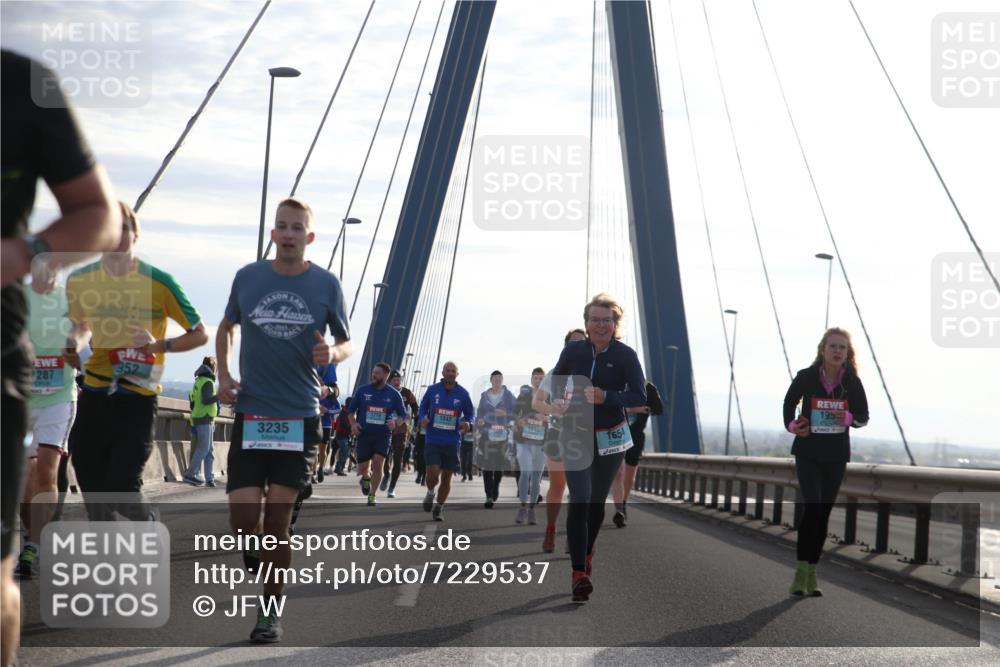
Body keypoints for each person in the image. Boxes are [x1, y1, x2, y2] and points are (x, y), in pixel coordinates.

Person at [1, 49, 121, 667]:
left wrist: (26, 253)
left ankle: (28, 550)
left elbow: (96, 215)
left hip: (29, 384)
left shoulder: (23, 84)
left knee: (42, 475)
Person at [217, 196, 351, 643]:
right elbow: (225, 327)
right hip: (252, 413)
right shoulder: (248, 278)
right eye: (282, 226)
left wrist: (332, 353)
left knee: (276, 524)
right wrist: (223, 374)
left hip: (300, 417)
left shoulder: (326, 285)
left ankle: (268, 615)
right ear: (273, 234)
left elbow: (346, 342)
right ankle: (254, 545)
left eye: (297, 228)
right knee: (242, 522)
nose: (288, 234)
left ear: (309, 237)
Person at [66, 201, 207, 523]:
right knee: (88, 474)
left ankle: (145, 520)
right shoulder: (82, 280)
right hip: (97, 392)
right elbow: (82, 324)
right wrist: (73, 342)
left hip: (138, 398)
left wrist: (158, 344)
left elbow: (198, 334)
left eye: (124, 228)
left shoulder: (160, 282)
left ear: (136, 234)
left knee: (121, 485)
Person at [535, 294, 646, 602]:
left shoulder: (626, 356)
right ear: (586, 323)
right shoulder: (574, 350)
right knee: (580, 498)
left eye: (606, 321)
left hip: (610, 437)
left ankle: (587, 552)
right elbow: (557, 377)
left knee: (597, 502)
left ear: (615, 324)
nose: (600, 326)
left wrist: (607, 397)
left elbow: (638, 395)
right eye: (595, 320)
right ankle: (578, 572)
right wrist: (555, 398)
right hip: (576, 432)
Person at [783, 327, 868, 597]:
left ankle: (812, 572)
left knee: (824, 513)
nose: (837, 351)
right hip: (808, 453)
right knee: (813, 507)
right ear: (823, 349)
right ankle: (800, 571)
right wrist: (793, 425)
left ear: (847, 353)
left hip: (835, 456)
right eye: (833, 346)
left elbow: (863, 416)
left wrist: (847, 419)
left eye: (842, 347)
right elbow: (788, 403)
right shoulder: (806, 377)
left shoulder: (852, 383)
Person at [17, 277, 79, 579]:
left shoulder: (70, 303)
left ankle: (35, 544)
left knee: (46, 470)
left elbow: (85, 351)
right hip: (24, 400)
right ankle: (30, 534)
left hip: (58, 400)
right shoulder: (19, 299)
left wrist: (78, 354)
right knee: (25, 477)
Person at [534, 328, 586, 553]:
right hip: (556, 433)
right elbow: (537, 403)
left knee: (579, 490)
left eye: (582, 343)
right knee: (558, 485)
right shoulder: (555, 373)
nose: (577, 347)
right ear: (566, 347)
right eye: (573, 343)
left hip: (583, 435)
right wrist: (552, 409)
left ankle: (573, 535)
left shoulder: (593, 373)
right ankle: (551, 528)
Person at [418, 361, 475, 521]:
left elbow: (471, 414)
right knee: (433, 474)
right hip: (433, 439)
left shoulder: (463, 394)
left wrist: (469, 423)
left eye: (453, 371)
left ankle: (439, 507)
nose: (450, 373)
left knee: (447, 477)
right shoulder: (432, 390)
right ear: (442, 373)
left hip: (452, 441)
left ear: (457, 374)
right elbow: (422, 408)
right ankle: (430, 492)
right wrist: (423, 418)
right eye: (447, 370)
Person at [349, 362, 406, 507]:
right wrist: (354, 424)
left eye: (377, 373)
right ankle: (366, 478)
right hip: (364, 434)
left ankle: (372, 495)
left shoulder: (394, 394)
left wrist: (395, 423)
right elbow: (350, 411)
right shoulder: (362, 391)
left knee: (378, 463)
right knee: (362, 468)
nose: (373, 375)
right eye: (373, 372)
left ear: (386, 376)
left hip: (383, 435)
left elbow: (403, 415)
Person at [611, 381, 664, 527]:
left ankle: (623, 502)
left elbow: (659, 409)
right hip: (618, 434)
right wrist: (632, 409)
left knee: (630, 476)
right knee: (618, 473)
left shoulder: (648, 388)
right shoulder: (616, 385)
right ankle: (619, 510)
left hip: (636, 436)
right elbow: (608, 406)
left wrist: (645, 409)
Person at [476, 371, 516, 508]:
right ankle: (489, 495)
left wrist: (506, 413)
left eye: (500, 379)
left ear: (502, 380)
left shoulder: (509, 396)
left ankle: (496, 486)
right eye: (495, 379)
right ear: (491, 380)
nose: (497, 381)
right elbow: (479, 413)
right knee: (487, 465)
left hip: (502, 435)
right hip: (487, 434)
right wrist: (479, 421)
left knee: (499, 465)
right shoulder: (484, 396)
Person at [513, 370, 547, 525]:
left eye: (541, 378)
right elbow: (513, 413)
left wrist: (546, 417)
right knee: (525, 473)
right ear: (531, 379)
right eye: (536, 378)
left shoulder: (549, 395)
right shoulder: (524, 394)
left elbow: (558, 415)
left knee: (535, 478)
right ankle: (522, 507)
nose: (538, 380)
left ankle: (532, 509)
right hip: (523, 440)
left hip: (541, 442)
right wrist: (517, 421)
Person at [183, 357, 220, 487]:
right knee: (204, 448)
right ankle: (190, 474)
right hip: (205, 417)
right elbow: (206, 400)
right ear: (212, 367)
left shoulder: (198, 381)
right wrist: (220, 396)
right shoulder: (208, 382)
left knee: (209, 449)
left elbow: (193, 401)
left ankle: (209, 478)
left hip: (199, 417)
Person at [384, 371, 418, 498]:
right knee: (384, 456)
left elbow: (415, 407)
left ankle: (392, 487)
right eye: (394, 380)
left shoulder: (407, 393)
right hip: (386, 429)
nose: (397, 382)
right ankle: (386, 474)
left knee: (398, 458)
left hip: (402, 430)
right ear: (390, 381)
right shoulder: (385, 391)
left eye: (399, 380)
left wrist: (414, 416)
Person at [314, 362, 340, 482]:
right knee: (313, 448)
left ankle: (321, 468)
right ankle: (313, 471)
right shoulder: (311, 392)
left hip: (325, 424)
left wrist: (327, 410)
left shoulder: (330, 394)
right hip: (313, 422)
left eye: (320, 380)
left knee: (322, 449)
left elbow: (337, 409)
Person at [331, 398, 352, 476]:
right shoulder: (344, 413)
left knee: (346, 452)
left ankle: (340, 468)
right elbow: (345, 425)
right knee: (344, 451)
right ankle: (338, 468)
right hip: (341, 435)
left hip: (343, 435)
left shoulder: (347, 412)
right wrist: (352, 428)